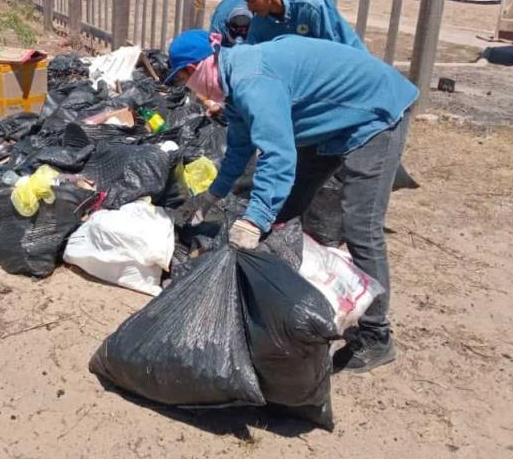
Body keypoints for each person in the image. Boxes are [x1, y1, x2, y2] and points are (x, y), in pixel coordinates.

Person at [167, 29, 417, 373]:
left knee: (361, 225)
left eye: (185, 78)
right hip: (328, 124)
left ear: (197, 66)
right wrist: (213, 195)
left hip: (373, 114)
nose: (189, 88)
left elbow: (277, 154)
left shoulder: (251, 79)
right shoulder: (233, 84)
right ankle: (280, 290)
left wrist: (254, 219)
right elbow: (240, 149)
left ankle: (376, 336)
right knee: (285, 209)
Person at [240, 0, 367, 51]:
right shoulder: (259, 23)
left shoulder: (310, 6)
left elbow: (333, 50)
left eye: (252, 1)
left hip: (351, 65)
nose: (250, 8)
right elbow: (252, 52)